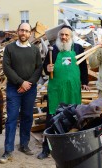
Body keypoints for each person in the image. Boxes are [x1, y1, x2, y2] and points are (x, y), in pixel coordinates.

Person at [37, 25, 90, 159]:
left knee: (73, 118)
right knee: (51, 119)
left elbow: (83, 67)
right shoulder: (53, 50)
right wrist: (47, 68)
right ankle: (46, 149)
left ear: (71, 36)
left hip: (73, 90)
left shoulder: (78, 48)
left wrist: (84, 82)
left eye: (67, 35)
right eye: (62, 35)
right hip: (56, 90)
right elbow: (45, 68)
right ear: (58, 36)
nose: (64, 37)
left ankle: (72, 149)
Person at [0, 23, 42, 164]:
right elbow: (6, 67)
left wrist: (28, 84)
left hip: (30, 89)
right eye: (22, 30)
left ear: (30, 34)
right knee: (11, 118)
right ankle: (8, 151)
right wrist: (20, 82)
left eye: (27, 31)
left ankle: (24, 145)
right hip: (14, 88)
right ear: (18, 31)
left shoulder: (35, 50)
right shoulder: (10, 48)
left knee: (27, 117)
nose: (24, 33)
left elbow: (38, 69)